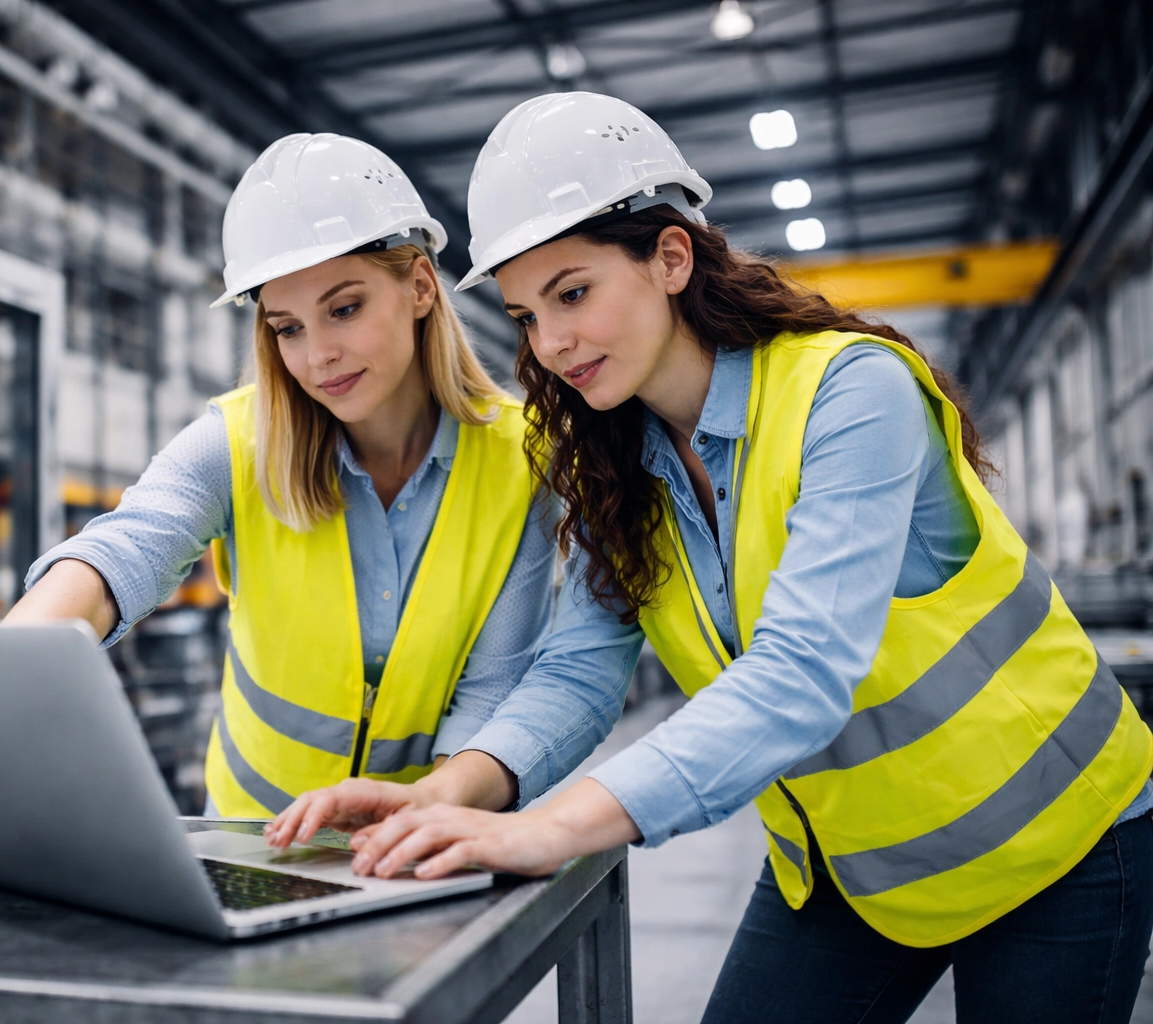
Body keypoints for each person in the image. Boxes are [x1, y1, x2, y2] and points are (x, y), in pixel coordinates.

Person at [266, 94, 1153, 1023]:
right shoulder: (618, 465)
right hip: (850, 869)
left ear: (671, 258)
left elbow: (803, 671)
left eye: (573, 293)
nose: (552, 342)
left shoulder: (850, 392)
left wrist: (549, 831)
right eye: (527, 314)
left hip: (1057, 847)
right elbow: (574, 672)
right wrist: (446, 794)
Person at [6, 132, 555, 817]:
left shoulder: (524, 459)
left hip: (418, 841)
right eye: (287, 327)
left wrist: (431, 818)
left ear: (419, 286)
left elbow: (493, 688)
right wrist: (14, 666)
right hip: (250, 840)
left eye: (344, 308)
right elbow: (125, 549)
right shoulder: (239, 442)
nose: (318, 354)